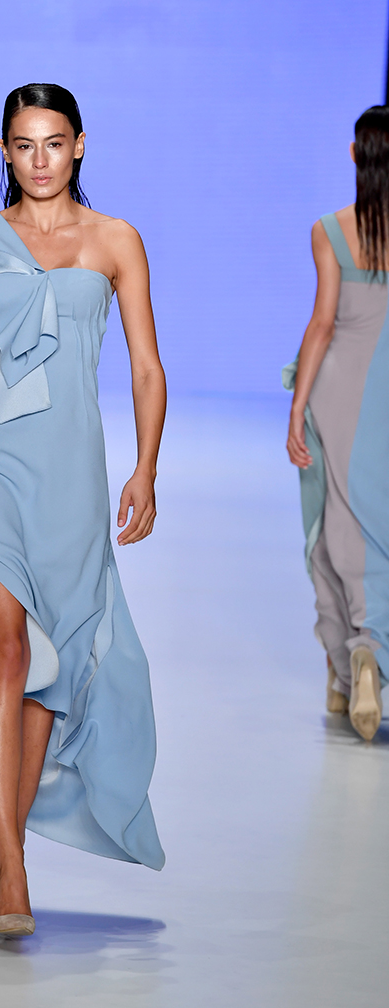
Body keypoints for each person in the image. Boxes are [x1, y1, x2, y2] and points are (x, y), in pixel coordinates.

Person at [0, 83, 166, 936]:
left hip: (72, 472)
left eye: (55, 142)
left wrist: (146, 470)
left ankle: (3, 841)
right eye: (24, 144)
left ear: (80, 146)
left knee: (49, 671)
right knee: (9, 645)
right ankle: (12, 864)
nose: (40, 159)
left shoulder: (117, 241)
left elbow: (145, 366)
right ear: (6, 151)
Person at [285, 105, 389, 742]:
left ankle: (351, 660)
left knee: (329, 525)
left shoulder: (332, 230)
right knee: (376, 521)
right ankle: (363, 654)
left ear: (355, 156)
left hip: (336, 390)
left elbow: (323, 323)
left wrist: (296, 407)